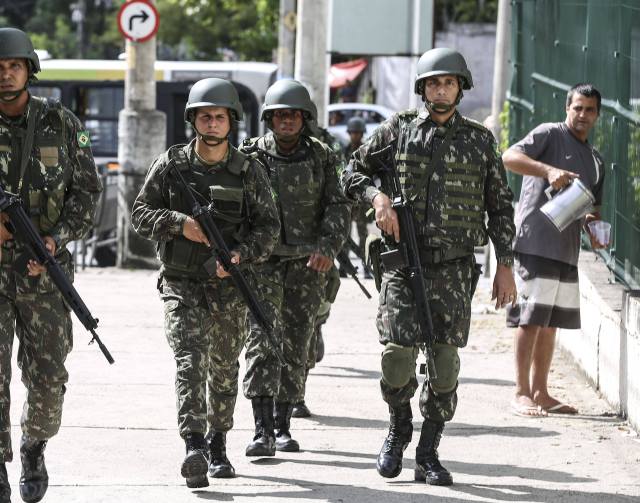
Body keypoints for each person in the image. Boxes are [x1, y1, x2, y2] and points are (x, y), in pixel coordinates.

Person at [341, 47, 517, 486]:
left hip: (455, 269)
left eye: (449, 83)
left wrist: (506, 264)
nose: (441, 90)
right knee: (395, 357)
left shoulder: (479, 141)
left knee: (444, 366)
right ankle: (399, 424)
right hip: (402, 264)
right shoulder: (397, 131)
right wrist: (377, 198)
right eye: (434, 83)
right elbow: (351, 173)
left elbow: (500, 207)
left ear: (461, 87)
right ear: (423, 89)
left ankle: (428, 450)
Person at [131, 78, 279, 488]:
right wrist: (180, 224)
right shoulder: (172, 165)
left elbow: (269, 228)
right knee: (189, 362)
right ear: (193, 120)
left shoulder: (248, 171)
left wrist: (239, 256)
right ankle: (193, 446)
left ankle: (218, 443)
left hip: (229, 287)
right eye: (205, 116)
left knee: (223, 367)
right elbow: (140, 214)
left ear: (231, 122)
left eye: (219, 117)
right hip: (182, 284)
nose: (212, 123)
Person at [0, 28, 102, 503]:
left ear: (29, 70)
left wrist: (56, 240)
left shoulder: (61, 123)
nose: (5, 75)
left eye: (13, 66)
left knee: (48, 375)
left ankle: (34, 445)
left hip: (44, 276)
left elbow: (87, 194)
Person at [240, 79, 350, 455]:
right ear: (269, 119)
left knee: (297, 343)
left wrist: (327, 247)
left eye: (293, 116)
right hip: (262, 264)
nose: (286, 122)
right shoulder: (250, 156)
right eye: (279, 116)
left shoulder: (322, 156)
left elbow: (338, 204)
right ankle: (261, 428)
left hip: (307, 265)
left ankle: (283, 425)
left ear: (304, 119)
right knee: (261, 342)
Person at [502, 83, 605, 418]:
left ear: (597, 115)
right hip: (535, 242)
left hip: (566, 250)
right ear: (567, 108)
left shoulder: (596, 161)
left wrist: (594, 227)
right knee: (530, 319)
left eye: (590, 110)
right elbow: (509, 157)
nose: (582, 115)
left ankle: (541, 392)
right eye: (577, 107)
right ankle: (520, 393)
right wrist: (548, 170)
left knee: (549, 324)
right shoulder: (549, 134)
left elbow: (592, 208)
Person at [343, 116, 372, 278]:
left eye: (358, 132)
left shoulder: (366, 150)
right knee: (345, 234)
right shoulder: (344, 150)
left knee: (363, 235)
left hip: (361, 199)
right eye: (353, 132)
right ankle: (345, 267)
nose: (355, 135)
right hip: (348, 199)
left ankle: (366, 267)